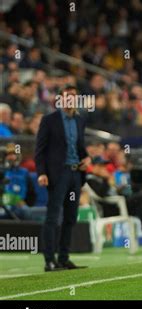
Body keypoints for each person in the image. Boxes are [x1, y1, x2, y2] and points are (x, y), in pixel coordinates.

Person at [35, 85, 91, 272]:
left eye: (74, 96)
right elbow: (40, 150)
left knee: (70, 218)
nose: (70, 100)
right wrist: (41, 173)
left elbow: (80, 147)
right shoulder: (49, 120)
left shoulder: (80, 120)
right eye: (67, 96)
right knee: (52, 217)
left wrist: (87, 158)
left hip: (75, 174)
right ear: (60, 99)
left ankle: (64, 258)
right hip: (58, 174)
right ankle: (49, 261)